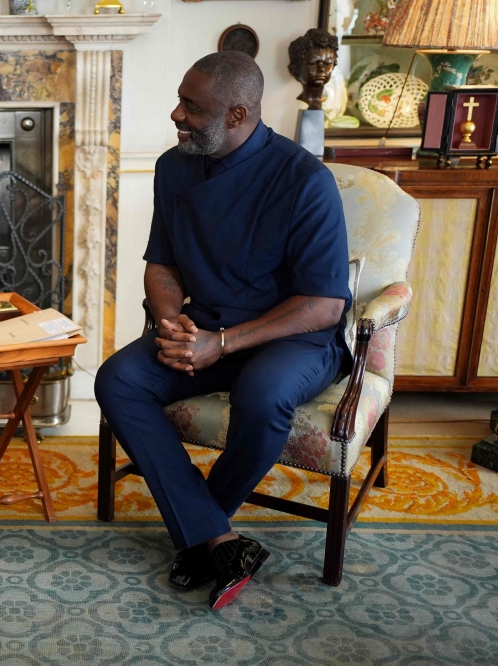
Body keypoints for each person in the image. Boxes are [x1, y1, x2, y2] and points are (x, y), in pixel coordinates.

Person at [94, 51, 351, 610]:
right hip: (204, 326)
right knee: (118, 380)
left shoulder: (305, 180)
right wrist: (171, 324)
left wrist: (224, 344)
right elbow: (161, 264)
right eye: (180, 100)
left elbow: (325, 304)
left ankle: (198, 537)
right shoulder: (174, 166)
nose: (176, 115)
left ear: (237, 115)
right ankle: (220, 540)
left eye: (192, 107)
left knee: (262, 397)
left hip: (292, 339)